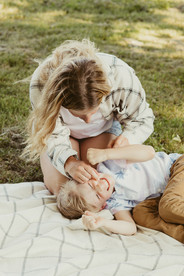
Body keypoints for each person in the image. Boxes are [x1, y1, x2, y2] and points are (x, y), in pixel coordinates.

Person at [24, 39, 154, 195]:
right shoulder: (41, 84)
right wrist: (69, 163)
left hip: (101, 132)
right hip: (59, 133)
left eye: (93, 112)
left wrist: (128, 139)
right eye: (78, 114)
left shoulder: (120, 76)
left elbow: (142, 118)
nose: (88, 120)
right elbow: (50, 133)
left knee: (91, 188)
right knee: (63, 191)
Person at [57, 145, 184, 242]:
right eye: (98, 196)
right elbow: (130, 228)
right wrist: (102, 222)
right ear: (102, 206)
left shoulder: (110, 165)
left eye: (91, 184)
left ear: (85, 175)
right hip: (168, 191)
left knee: (167, 206)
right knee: (141, 214)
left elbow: (149, 152)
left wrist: (107, 154)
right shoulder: (114, 202)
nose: (100, 186)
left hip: (176, 167)